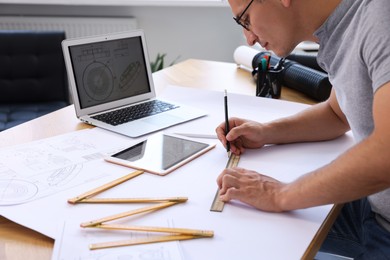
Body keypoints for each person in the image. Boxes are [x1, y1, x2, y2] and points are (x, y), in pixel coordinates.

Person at [216, 0, 390, 258]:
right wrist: (266, 132)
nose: (249, 38)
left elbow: (385, 156)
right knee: (245, 220)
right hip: (376, 206)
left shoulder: (380, 17)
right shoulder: (339, 28)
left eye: (246, 19)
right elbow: (337, 112)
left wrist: (280, 195)